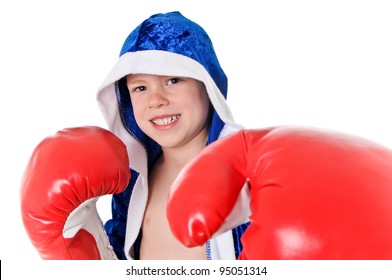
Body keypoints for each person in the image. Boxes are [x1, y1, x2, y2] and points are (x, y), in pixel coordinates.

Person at [95, 11, 250, 260]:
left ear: (207, 84)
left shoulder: (248, 171)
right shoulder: (132, 181)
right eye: (140, 88)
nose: (156, 100)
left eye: (173, 80)